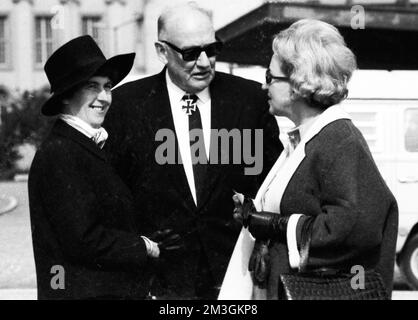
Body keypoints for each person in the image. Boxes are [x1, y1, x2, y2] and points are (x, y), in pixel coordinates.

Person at [103, 2, 282, 299]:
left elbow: (273, 183)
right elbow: (111, 199)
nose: (204, 62)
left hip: (236, 276)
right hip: (160, 281)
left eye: (211, 50)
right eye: (189, 53)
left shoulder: (250, 100)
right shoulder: (126, 106)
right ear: (162, 51)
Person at [222, 19, 398, 300]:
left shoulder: (339, 140)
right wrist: (256, 215)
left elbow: (356, 228)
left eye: (270, 77)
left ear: (297, 84)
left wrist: (277, 225)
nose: (263, 86)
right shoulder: (308, 138)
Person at [28, 35, 164, 300]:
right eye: (92, 86)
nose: (105, 97)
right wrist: (144, 246)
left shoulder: (87, 145)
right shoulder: (60, 152)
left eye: (108, 86)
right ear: (66, 95)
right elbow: (84, 240)